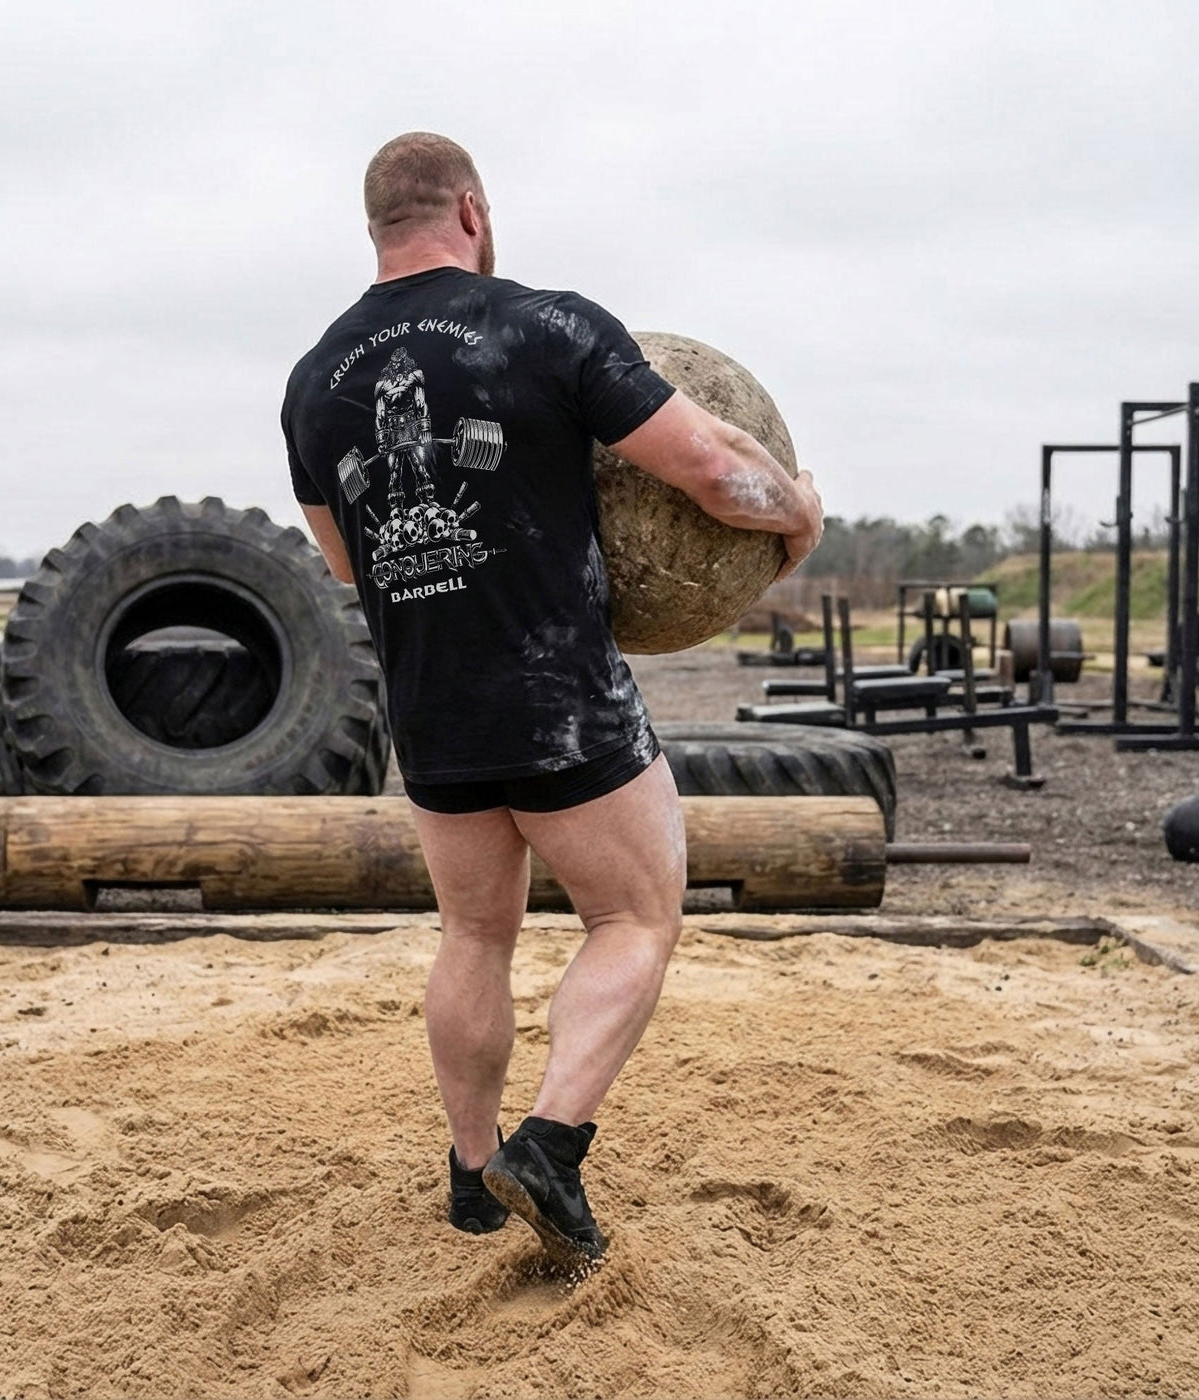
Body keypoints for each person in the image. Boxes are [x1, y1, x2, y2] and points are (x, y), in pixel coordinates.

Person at [281, 133, 823, 1271]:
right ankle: (548, 1143)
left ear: (376, 224)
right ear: (470, 209)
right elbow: (709, 467)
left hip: (429, 707)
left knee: (473, 932)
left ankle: (471, 1175)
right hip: (557, 698)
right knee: (634, 916)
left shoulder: (313, 380)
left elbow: (342, 562)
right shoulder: (544, 323)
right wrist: (795, 513)